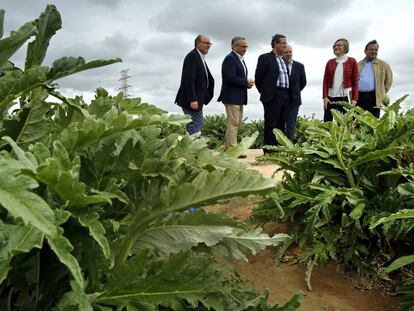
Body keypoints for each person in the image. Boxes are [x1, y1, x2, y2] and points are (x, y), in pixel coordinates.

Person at [218, 36, 254, 154]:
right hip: (231, 96)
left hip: (238, 97)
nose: (245, 49)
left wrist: (247, 84)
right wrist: (245, 82)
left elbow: (236, 78)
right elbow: (230, 77)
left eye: (246, 46)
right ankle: (233, 149)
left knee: (235, 123)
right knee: (233, 123)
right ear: (234, 46)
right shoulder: (230, 59)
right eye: (243, 46)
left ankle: (227, 146)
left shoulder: (239, 59)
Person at [255, 34, 290, 153]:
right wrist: (266, 93)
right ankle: (269, 151)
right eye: (283, 43)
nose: (285, 45)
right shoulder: (264, 58)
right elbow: (258, 78)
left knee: (281, 123)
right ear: (275, 44)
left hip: (284, 94)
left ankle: (279, 150)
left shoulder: (284, 60)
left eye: (286, 43)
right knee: (271, 123)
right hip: (272, 95)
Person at [175, 34, 215, 135]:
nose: (208, 45)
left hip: (197, 100)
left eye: (209, 43)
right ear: (198, 43)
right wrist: (193, 99)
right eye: (206, 43)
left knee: (196, 123)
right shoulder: (192, 56)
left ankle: (189, 148)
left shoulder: (200, 58)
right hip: (191, 101)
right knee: (196, 123)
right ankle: (191, 149)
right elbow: (188, 79)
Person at [322, 38, 359, 122]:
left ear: (345, 47)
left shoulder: (352, 61)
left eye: (339, 45)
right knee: (327, 122)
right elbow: (325, 81)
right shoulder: (329, 62)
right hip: (330, 98)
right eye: (334, 46)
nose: (336, 47)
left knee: (345, 123)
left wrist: (354, 99)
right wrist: (325, 97)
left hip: (345, 97)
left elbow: (355, 82)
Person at [357, 40, 393, 118]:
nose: (374, 51)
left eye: (376, 50)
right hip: (359, 97)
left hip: (374, 97)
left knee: (374, 122)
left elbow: (388, 81)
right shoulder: (358, 65)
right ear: (365, 51)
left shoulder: (384, 65)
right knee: (358, 121)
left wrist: (380, 92)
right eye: (371, 49)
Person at [283, 44, 306, 141]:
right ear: (282, 53)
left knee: (291, 125)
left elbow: (303, 82)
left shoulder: (299, 66)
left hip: (294, 100)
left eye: (290, 52)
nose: (288, 54)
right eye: (286, 52)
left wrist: (295, 91)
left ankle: (289, 148)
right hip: (281, 99)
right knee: (279, 124)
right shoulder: (279, 65)